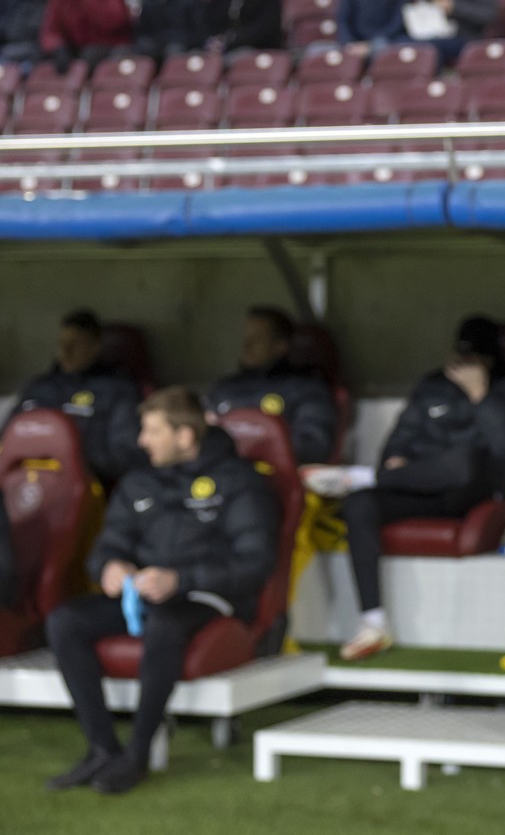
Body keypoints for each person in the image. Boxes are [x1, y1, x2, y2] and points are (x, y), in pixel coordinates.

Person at [44, 387, 277, 795]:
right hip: (143, 596)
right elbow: (107, 547)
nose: (141, 441)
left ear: (185, 436)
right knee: (65, 621)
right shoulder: (139, 481)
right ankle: (102, 748)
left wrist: (180, 580)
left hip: (207, 599)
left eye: (152, 431)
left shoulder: (238, 482)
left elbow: (254, 565)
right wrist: (110, 568)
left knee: (165, 625)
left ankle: (137, 755)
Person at [324, 316, 505, 661]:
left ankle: (368, 477)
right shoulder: (432, 387)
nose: (463, 365)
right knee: (359, 503)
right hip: (418, 490)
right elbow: (395, 447)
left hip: (474, 494)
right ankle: (373, 622)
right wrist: (395, 459)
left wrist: (479, 394)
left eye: (474, 359)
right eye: (461, 357)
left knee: (463, 460)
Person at [7, 310, 145, 483]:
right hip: (23, 482)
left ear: (95, 347)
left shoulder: (116, 390)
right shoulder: (37, 387)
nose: (66, 351)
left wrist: (69, 460)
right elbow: (6, 439)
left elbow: (125, 454)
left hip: (85, 484)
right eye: (61, 344)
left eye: (75, 344)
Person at [205, 306, 338, 467]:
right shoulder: (224, 388)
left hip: (277, 479)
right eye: (246, 338)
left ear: (280, 345)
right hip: (220, 479)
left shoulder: (306, 390)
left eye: (257, 339)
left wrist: (250, 441)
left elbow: (315, 446)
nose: (247, 345)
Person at [38, 0, 133, 71]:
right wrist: (57, 47)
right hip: (78, 48)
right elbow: (51, 29)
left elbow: (113, 21)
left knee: (92, 55)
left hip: (111, 47)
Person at [415, 0, 497, 65]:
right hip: (433, 32)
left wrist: (454, 7)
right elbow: (422, 5)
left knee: (430, 47)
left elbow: (487, 15)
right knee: (403, 43)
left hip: (466, 36)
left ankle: (434, 78)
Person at [205, 0, 285, 53]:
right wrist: (215, 41)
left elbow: (264, 29)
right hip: (222, 49)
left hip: (257, 49)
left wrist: (232, 40)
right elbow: (209, 24)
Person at [134, 0, 206, 61]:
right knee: (142, 48)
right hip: (155, 46)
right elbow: (141, 31)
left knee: (174, 50)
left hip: (182, 46)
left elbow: (199, 33)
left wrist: (175, 40)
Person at [337, 0, 414, 53]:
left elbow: (398, 21)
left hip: (386, 39)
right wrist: (348, 42)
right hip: (355, 40)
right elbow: (343, 18)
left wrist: (371, 44)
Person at [1, 0, 48, 64]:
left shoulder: (55, 1)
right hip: (16, 46)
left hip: (38, 49)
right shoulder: (29, 3)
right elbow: (13, 30)